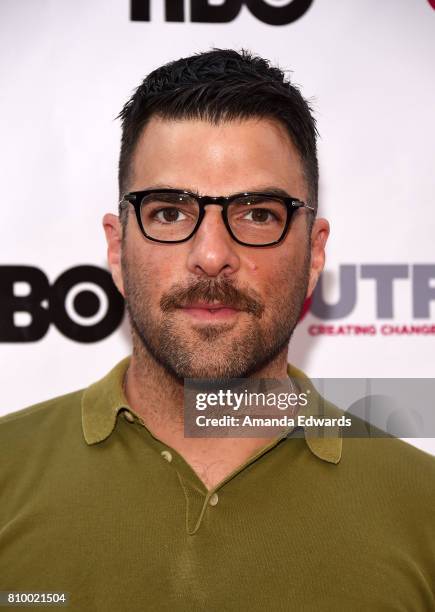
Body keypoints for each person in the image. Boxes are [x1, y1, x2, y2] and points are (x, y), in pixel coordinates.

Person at [1, 49, 434, 612]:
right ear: (115, 246)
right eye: (169, 212)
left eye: (258, 213)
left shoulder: (422, 506)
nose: (211, 256)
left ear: (314, 252)